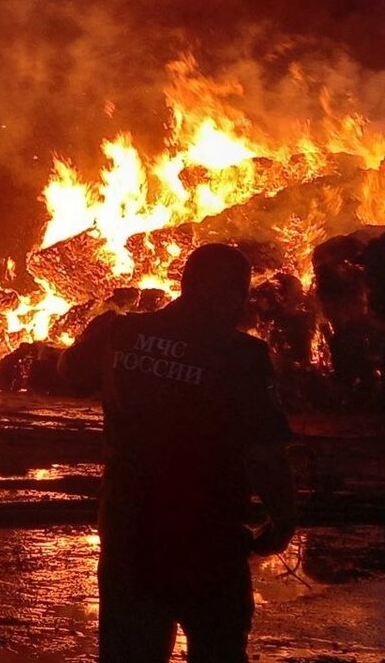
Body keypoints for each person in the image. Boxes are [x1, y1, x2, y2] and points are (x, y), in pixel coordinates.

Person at [59, 244, 297, 663]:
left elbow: (70, 373)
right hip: (207, 534)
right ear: (231, 293)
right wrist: (282, 519)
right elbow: (265, 453)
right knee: (218, 650)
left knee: (129, 652)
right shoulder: (243, 355)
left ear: (185, 283)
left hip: (129, 527)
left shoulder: (119, 332)